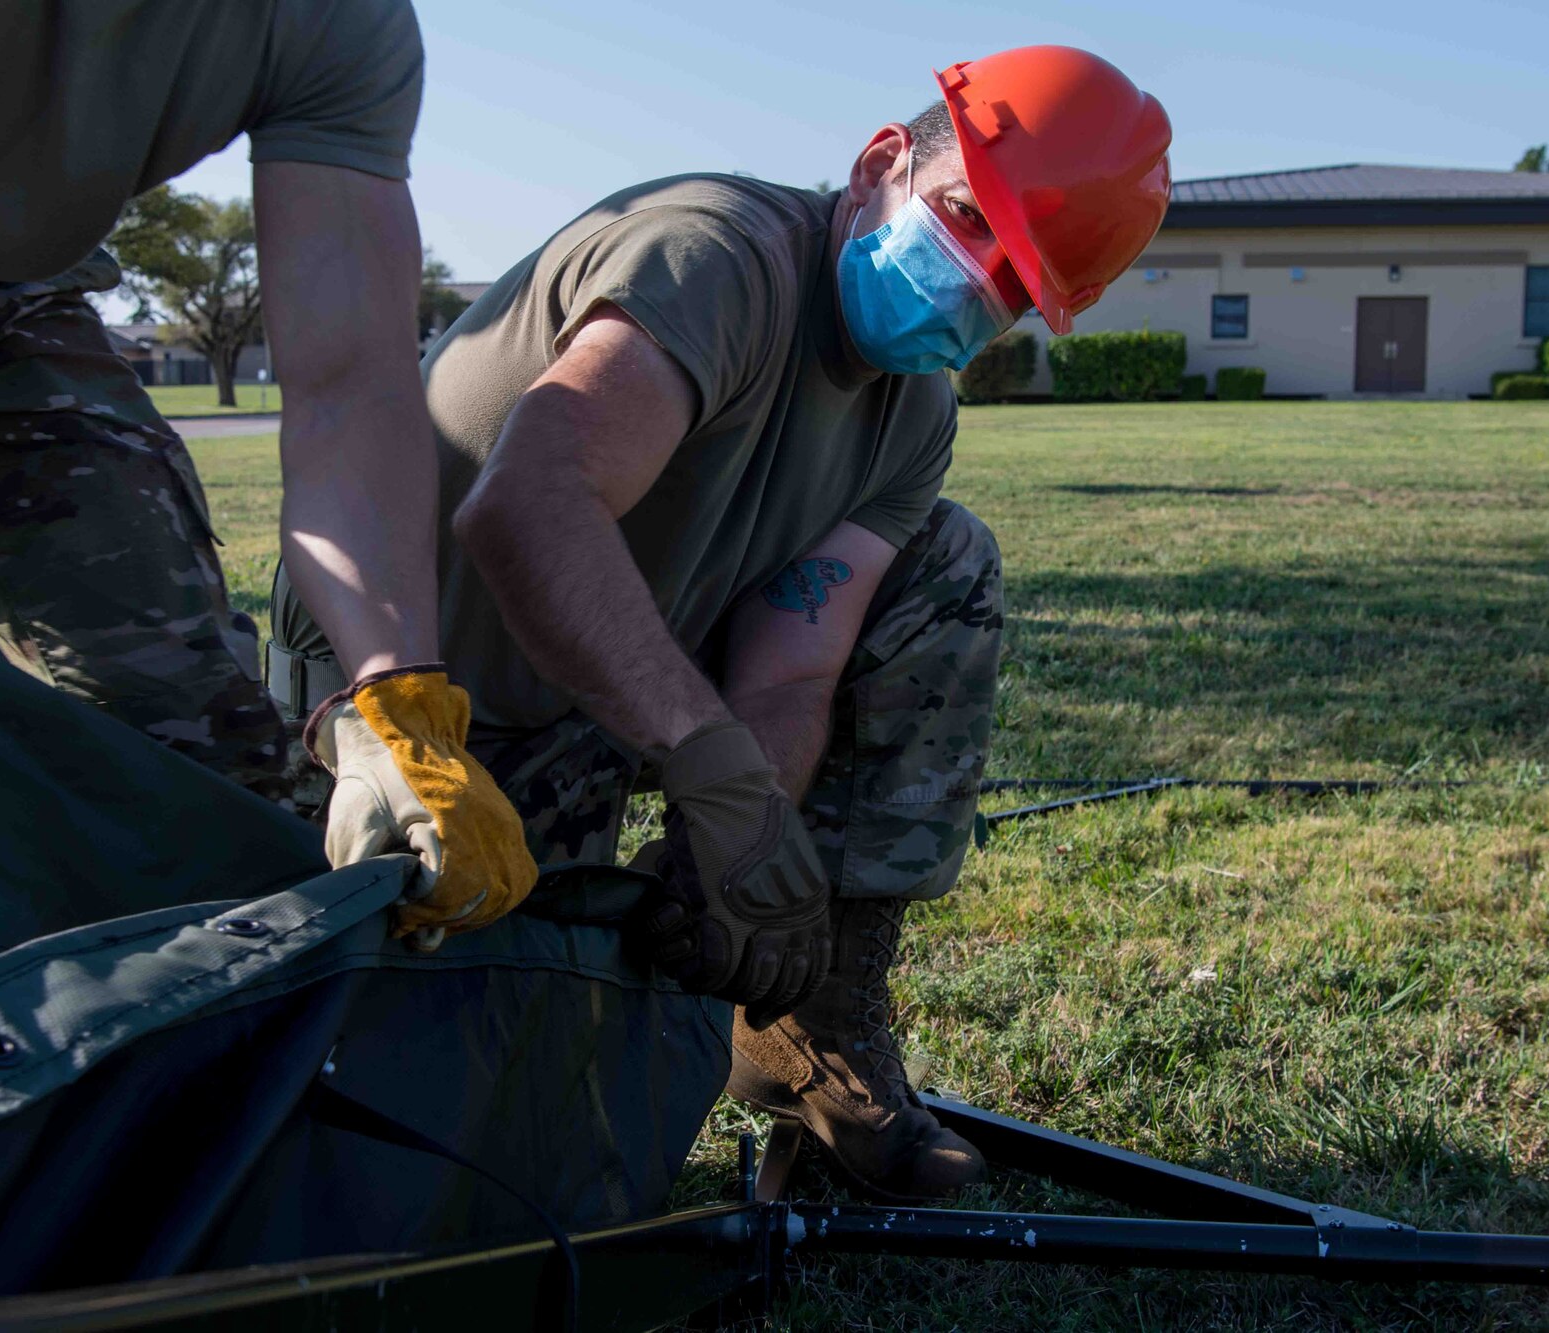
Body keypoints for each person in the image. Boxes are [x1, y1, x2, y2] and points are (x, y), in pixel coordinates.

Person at [271, 44, 1172, 1201]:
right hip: (412, 701)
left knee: (943, 563)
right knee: (439, 1133)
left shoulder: (914, 414)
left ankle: (806, 1029)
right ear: (880, 162)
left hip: (600, 681)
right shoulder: (718, 257)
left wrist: (731, 843)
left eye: (1010, 284)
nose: (970, 281)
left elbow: (797, 662)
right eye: (961, 218)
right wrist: (709, 763)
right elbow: (527, 504)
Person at [0, 1, 536, 946]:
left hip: (19, 297)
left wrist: (399, 706)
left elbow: (350, 387)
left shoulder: (336, 25)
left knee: (203, 747)